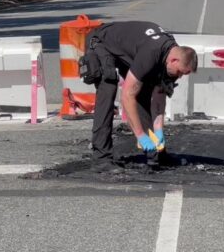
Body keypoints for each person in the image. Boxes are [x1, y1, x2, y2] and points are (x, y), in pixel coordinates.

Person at [83, 21, 198, 170]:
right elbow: (127, 95)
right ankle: (101, 157)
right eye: (180, 72)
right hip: (102, 42)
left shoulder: (171, 59)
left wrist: (158, 130)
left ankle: (156, 154)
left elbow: (158, 97)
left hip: (129, 51)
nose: (180, 76)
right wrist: (140, 135)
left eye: (184, 74)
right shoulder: (152, 53)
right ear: (174, 60)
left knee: (143, 92)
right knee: (108, 88)